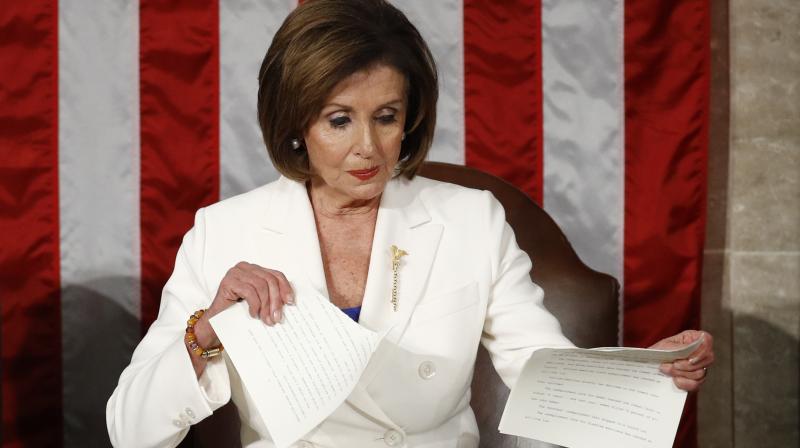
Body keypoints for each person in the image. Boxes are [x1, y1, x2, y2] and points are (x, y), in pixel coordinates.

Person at [107, 0, 714, 446]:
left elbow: (540, 370)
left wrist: (640, 374)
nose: (369, 148)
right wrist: (206, 331)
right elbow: (129, 428)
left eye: (387, 116)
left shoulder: (471, 219)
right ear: (295, 122)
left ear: (411, 118)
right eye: (339, 120)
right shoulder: (224, 232)